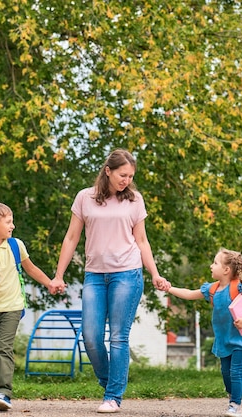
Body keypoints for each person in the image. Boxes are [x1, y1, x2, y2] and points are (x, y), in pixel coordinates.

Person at [50, 149, 170, 414]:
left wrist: (155, 273)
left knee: (118, 337)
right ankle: (110, 385)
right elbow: (71, 238)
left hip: (127, 274)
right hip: (94, 275)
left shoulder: (134, 200)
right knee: (90, 336)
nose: (126, 180)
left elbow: (141, 241)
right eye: (122, 175)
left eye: (130, 176)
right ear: (108, 171)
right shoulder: (85, 198)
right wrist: (59, 275)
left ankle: (113, 396)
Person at [0, 202, 57, 411]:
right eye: (8, 222)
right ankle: (0, 393)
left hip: (12, 306)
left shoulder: (16, 246)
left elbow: (31, 269)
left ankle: (4, 392)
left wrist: (50, 282)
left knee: (3, 348)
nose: (12, 226)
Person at [165, 248, 242, 417]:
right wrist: (170, 289)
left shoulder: (239, 288)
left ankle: (235, 405)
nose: (211, 266)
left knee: (236, 371)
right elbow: (189, 294)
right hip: (224, 339)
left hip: (241, 339)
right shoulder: (212, 289)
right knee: (225, 372)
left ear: (226, 270)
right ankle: (232, 396)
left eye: (215, 263)